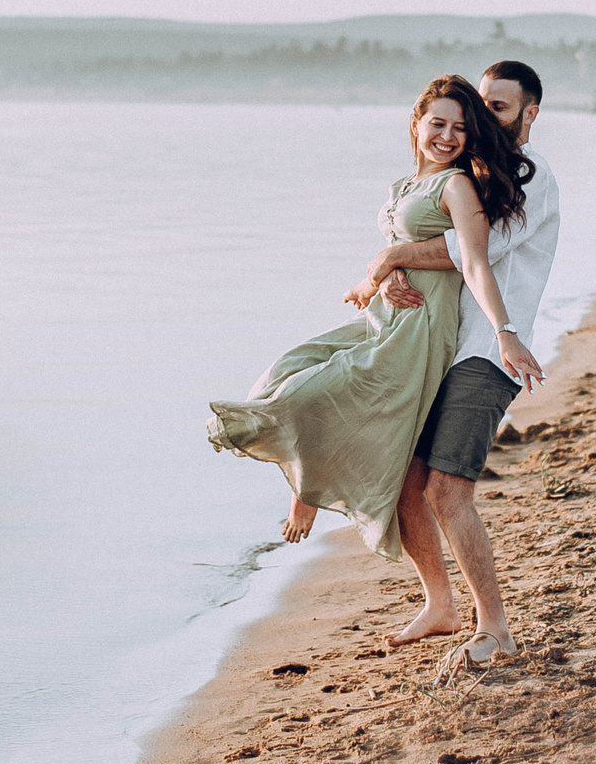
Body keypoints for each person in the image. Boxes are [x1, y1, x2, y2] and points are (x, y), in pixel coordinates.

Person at [207, 76, 534, 562]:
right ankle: (308, 484)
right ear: (416, 124)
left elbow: (475, 262)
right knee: (287, 371)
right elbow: (396, 251)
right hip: (382, 318)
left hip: (417, 330)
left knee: (318, 394)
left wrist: (505, 334)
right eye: (438, 124)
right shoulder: (405, 185)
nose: (447, 136)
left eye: (460, 129)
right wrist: (377, 279)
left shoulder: (457, 184)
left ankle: (308, 492)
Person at [358, 61, 557, 673]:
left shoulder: (530, 176)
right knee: (407, 479)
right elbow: (440, 254)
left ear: (529, 114)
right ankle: (439, 605)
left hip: (487, 351)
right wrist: (394, 278)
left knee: (447, 492)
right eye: (480, 109)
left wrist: (390, 254)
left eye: (498, 109)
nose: (483, 120)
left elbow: (474, 252)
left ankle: (494, 629)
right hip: (439, 346)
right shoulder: (473, 173)